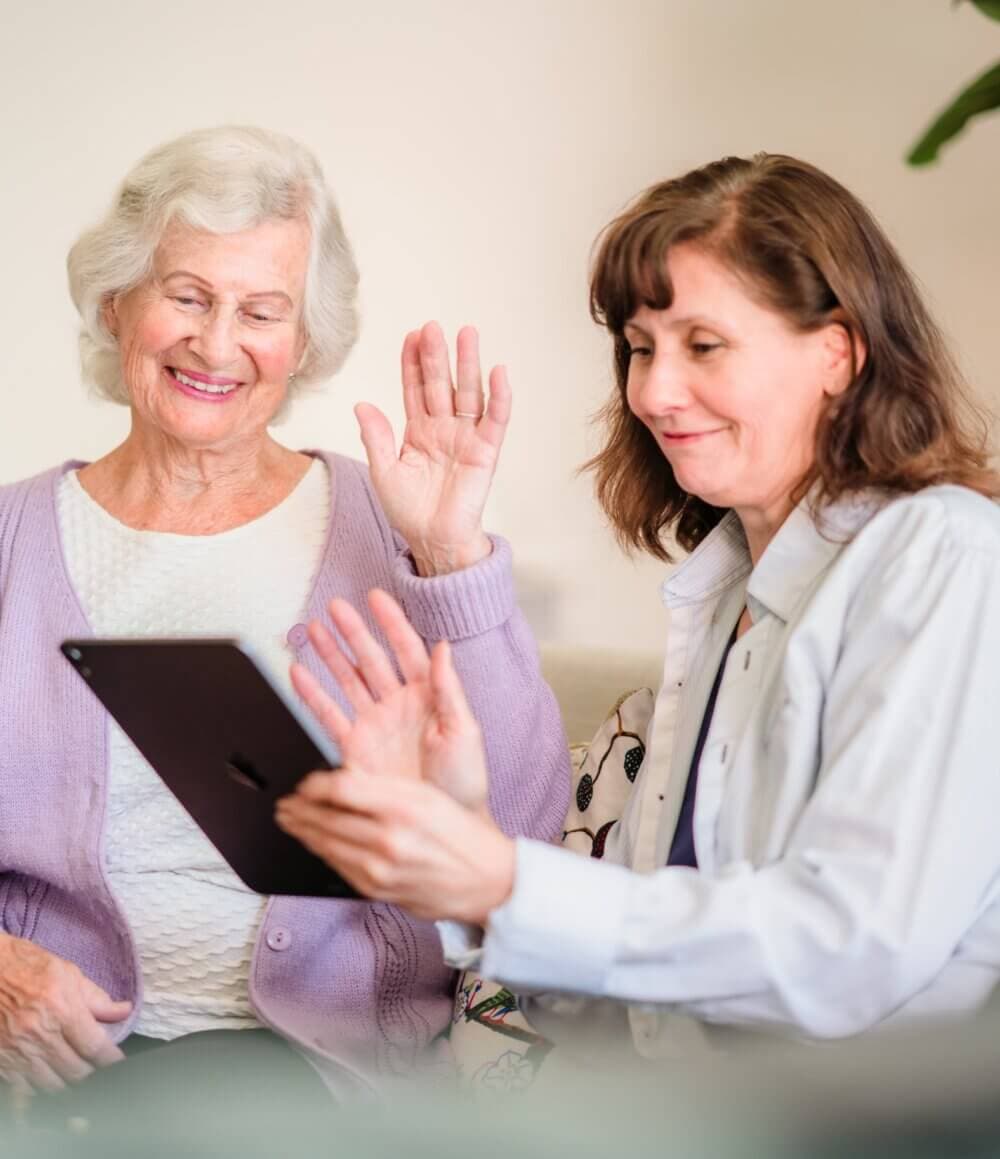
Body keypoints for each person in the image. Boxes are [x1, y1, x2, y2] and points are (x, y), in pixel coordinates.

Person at [276, 153, 1000, 1062]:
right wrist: (462, 846)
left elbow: (850, 949)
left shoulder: (944, 556)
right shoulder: (727, 591)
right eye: (640, 346)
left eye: (704, 344)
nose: (653, 391)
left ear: (838, 353)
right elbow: (628, 991)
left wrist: (502, 885)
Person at [0, 124, 570, 1104]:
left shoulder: (390, 528)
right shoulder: (12, 539)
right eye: (185, 296)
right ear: (115, 301)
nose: (217, 344)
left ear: (303, 343)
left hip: (315, 1072)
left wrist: (450, 558)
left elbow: (523, 832)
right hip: (45, 1059)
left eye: (261, 311)